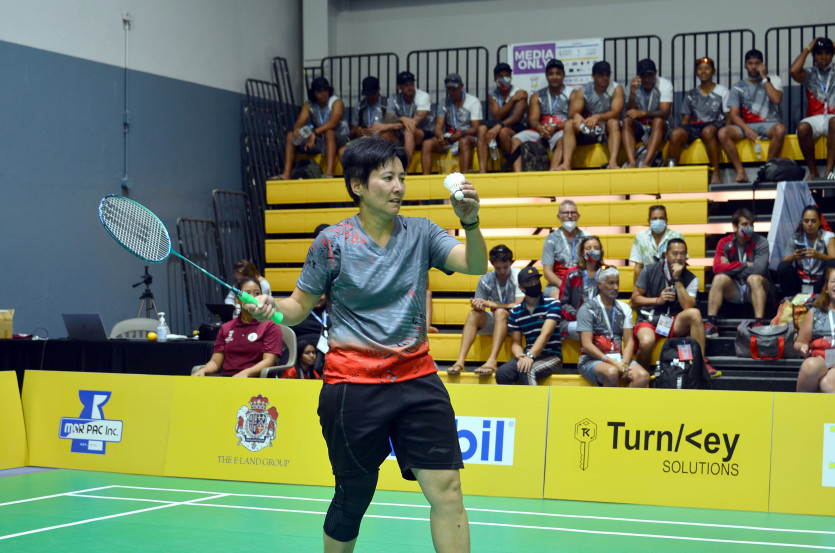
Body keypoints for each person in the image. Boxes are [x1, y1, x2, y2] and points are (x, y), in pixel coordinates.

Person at [246, 136, 486, 552]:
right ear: (357, 185)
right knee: (353, 497)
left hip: (417, 378)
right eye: (387, 178)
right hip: (352, 386)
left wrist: (471, 222)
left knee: (448, 490)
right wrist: (272, 310)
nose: (398, 187)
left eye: (402, 178)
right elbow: (298, 307)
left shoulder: (422, 233)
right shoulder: (332, 242)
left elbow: (474, 264)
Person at [630, 239, 715, 375]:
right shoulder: (649, 270)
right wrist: (658, 300)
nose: (679, 257)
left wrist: (677, 280)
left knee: (694, 313)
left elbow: (688, 307)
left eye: (682, 254)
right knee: (646, 342)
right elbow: (634, 300)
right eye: (674, 253)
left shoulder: (691, 278)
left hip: (673, 321)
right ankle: (642, 376)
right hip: (649, 319)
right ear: (666, 255)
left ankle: (701, 364)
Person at [448, 244, 523, 376]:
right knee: (473, 314)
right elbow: (481, 306)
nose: (502, 271)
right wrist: (477, 305)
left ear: (511, 263)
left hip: (516, 322)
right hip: (497, 321)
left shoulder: (518, 276)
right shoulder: (485, 280)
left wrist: (491, 303)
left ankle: (492, 360)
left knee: (500, 312)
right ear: (492, 265)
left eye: (505, 267)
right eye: (498, 268)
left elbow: (518, 305)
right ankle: (460, 361)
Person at [717, 49, 787, 184]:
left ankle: (766, 169)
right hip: (747, 125)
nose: (754, 67)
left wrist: (764, 78)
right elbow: (734, 115)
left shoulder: (773, 80)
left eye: (757, 63)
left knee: (780, 129)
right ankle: (741, 172)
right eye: (750, 63)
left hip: (769, 124)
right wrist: (746, 128)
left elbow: (777, 99)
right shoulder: (738, 87)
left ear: (763, 64)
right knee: (722, 133)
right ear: (745, 65)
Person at [193, 278, 284, 378]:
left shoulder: (270, 325)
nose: (252, 297)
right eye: (247, 293)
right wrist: (204, 370)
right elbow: (215, 362)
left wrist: (245, 373)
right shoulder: (226, 328)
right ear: (237, 299)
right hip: (229, 379)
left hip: (257, 380)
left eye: (257, 293)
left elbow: (269, 361)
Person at [577, 266, 650, 387]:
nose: (615, 287)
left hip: (618, 358)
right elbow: (587, 345)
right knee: (612, 372)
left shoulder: (624, 308)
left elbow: (629, 341)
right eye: (611, 283)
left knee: (643, 376)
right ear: (599, 284)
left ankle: (622, 400)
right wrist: (614, 364)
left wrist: (624, 364)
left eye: (617, 283)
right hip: (591, 359)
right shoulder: (587, 309)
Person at [705, 208, 770, 336]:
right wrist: (743, 265)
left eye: (751, 225)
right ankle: (711, 323)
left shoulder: (761, 242)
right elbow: (717, 268)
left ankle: (759, 323)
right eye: (744, 224)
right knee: (719, 278)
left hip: (755, 287)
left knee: (754, 278)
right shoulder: (724, 242)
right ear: (735, 227)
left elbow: (759, 269)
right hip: (734, 287)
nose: (749, 228)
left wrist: (729, 268)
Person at [495, 266, 563, 386]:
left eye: (536, 280)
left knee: (527, 370)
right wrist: (520, 355)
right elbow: (516, 343)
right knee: (501, 373)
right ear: (521, 287)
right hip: (529, 355)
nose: (533, 284)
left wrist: (530, 355)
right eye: (529, 281)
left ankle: (532, 399)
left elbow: (545, 334)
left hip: (552, 356)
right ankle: (517, 398)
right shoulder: (516, 311)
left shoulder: (553, 304)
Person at [666, 57, 729, 183]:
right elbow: (685, 119)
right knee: (675, 134)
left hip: (715, 125)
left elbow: (728, 116)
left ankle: (716, 172)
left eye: (707, 68)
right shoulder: (690, 94)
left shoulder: (722, 91)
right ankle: (671, 172)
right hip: (696, 127)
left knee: (707, 131)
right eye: (700, 69)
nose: (703, 72)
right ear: (696, 72)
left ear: (713, 71)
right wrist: (682, 134)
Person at [559, 60, 624, 170]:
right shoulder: (584, 90)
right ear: (593, 76)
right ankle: (566, 164)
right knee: (569, 124)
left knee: (613, 122)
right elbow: (572, 113)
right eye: (601, 75)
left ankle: (613, 163)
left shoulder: (616, 88)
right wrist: (577, 116)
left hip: (608, 128)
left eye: (607, 74)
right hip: (590, 127)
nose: (605, 78)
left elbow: (616, 113)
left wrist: (597, 117)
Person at [280, 77, 349, 180]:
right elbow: (299, 122)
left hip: (339, 137)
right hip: (320, 138)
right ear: (313, 93)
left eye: (325, 90)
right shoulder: (309, 105)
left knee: (329, 133)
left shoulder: (336, 102)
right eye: (319, 91)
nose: (323, 94)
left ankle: (328, 173)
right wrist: (297, 129)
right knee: (290, 136)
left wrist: (313, 133)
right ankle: (286, 174)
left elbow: (332, 123)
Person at [510, 59, 571, 172]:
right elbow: (533, 119)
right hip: (542, 130)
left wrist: (555, 127)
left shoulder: (572, 93)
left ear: (563, 75)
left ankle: (551, 173)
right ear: (546, 76)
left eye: (558, 73)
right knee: (516, 139)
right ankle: (518, 176)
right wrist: (540, 128)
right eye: (551, 74)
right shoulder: (537, 95)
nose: (554, 77)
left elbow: (572, 120)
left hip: (560, 129)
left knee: (564, 138)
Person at [790, 37, 835, 181]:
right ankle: (813, 172)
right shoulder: (809, 73)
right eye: (819, 53)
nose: (823, 57)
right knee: (802, 128)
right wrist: (808, 48)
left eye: (827, 53)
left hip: (833, 117)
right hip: (815, 117)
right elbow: (793, 71)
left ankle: (828, 172)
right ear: (814, 56)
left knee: (834, 122)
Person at [421, 73, 483, 174]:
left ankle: (464, 177)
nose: (452, 92)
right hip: (450, 137)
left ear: (461, 86)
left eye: (454, 88)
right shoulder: (443, 102)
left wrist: (462, 133)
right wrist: (441, 137)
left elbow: (476, 128)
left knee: (463, 141)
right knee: (427, 144)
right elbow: (438, 126)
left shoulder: (473, 101)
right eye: (449, 89)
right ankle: (426, 179)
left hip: (467, 136)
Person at [621, 58, 673, 168]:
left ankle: (645, 163)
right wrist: (632, 93)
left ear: (656, 73)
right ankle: (632, 162)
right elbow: (629, 112)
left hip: (660, 127)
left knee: (658, 121)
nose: (647, 79)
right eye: (643, 76)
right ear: (638, 75)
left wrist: (644, 113)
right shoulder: (632, 85)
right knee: (626, 121)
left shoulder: (664, 85)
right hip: (641, 126)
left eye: (650, 75)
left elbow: (665, 113)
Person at [476, 63, 528, 172]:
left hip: (516, 129)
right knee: (481, 129)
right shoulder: (493, 95)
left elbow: (516, 117)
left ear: (511, 77)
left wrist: (499, 126)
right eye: (500, 76)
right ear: (495, 78)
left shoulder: (520, 93)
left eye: (507, 75)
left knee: (504, 132)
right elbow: (497, 115)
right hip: (498, 128)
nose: (504, 78)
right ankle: (482, 172)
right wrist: (512, 100)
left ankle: (512, 162)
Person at [776, 205, 835, 296]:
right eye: (806, 221)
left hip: (820, 281)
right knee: (783, 267)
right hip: (800, 281)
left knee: (833, 264)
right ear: (802, 222)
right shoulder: (795, 237)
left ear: (819, 222)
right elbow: (784, 262)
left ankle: (825, 297)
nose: (809, 224)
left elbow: (833, 260)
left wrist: (818, 255)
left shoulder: (828, 236)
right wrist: (793, 257)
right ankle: (789, 298)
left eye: (813, 221)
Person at [793, 267, 835, 393]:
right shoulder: (815, 312)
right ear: (827, 287)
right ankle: (802, 405)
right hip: (820, 357)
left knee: (828, 383)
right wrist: (802, 347)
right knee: (810, 366)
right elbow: (799, 342)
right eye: (833, 281)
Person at [560, 235, 605, 340]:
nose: (592, 251)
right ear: (582, 252)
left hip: (600, 320)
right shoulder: (572, 274)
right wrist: (579, 315)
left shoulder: (606, 273)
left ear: (601, 251)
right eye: (588, 248)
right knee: (587, 329)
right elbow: (563, 303)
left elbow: (611, 301)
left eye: (596, 248)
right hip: (575, 321)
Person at [542, 199, 589, 295]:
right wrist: (565, 287)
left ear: (578, 216)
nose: (570, 216)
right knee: (557, 296)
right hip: (558, 284)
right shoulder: (551, 240)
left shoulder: (587, 238)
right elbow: (547, 272)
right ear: (558, 217)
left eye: (573, 213)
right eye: (566, 213)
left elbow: (593, 266)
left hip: (582, 283)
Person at [628, 205, 685, 284]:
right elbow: (638, 267)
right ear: (649, 221)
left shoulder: (676, 236)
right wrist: (636, 289)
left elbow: (682, 263)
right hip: (648, 284)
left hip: (671, 282)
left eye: (661, 218)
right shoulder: (640, 237)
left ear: (666, 220)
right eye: (654, 219)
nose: (658, 221)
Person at [384, 71, 432, 161]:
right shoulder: (393, 99)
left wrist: (389, 125)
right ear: (399, 87)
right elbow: (388, 121)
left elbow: (413, 123)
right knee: (385, 133)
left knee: (409, 130)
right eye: (406, 85)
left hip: (423, 133)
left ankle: (405, 166)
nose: (410, 88)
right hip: (402, 132)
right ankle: (387, 164)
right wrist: (402, 119)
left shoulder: (422, 96)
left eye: (412, 84)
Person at [350, 76, 397, 142]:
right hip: (365, 138)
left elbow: (395, 127)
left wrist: (381, 129)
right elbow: (353, 130)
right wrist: (359, 131)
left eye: (372, 94)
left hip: (383, 138)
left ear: (379, 89)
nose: (370, 97)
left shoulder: (388, 104)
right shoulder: (359, 106)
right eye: (368, 94)